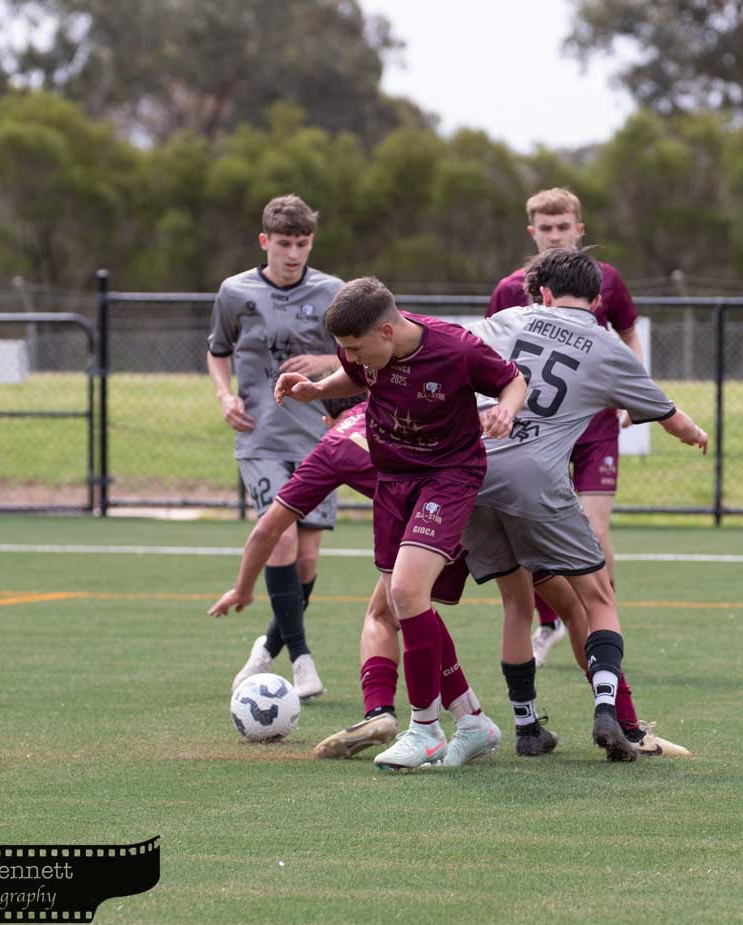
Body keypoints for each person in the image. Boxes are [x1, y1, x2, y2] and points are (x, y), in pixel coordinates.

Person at [275, 277, 528, 771]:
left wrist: (506, 410)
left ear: (387, 331)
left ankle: (426, 730)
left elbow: (513, 380)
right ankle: (473, 722)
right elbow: (355, 375)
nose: (351, 357)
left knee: (407, 594)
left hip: (449, 477)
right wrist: (318, 389)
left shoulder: (455, 349)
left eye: (356, 349)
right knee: (403, 603)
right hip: (393, 480)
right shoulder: (364, 348)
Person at [470, 247, 708, 761]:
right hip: (537, 484)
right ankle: (606, 709)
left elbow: (453, 362)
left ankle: (526, 727)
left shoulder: (507, 319)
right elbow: (668, 415)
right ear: (598, 300)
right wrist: (694, 434)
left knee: (516, 603)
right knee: (598, 598)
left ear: (545, 292)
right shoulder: (607, 347)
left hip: (474, 476)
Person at [209, 397, 499, 768]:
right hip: (483, 487)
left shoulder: (333, 445)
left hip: (442, 508)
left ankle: (426, 720)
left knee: (391, 610)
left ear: (326, 418)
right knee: (399, 607)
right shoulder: (386, 403)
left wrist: (243, 588)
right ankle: (467, 718)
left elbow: (267, 529)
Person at [486, 188, 641, 668]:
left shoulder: (605, 279)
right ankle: (550, 621)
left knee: (592, 529)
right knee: (531, 526)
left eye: (563, 226)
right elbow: (487, 359)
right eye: (546, 228)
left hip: (593, 425)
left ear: (580, 229)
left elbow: (628, 335)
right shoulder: (509, 289)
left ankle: (602, 626)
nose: (555, 235)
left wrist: (633, 391)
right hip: (534, 430)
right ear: (532, 231)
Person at [207, 194, 342, 701]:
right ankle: (303, 662)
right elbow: (217, 351)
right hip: (260, 437)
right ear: (265, 241)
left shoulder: (333, 292)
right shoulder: (234, 292)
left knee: (306, 561)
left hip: (318, 438)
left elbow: (361, 354)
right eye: (284, 243)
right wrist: (225, 396)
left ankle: (265, 650)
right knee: (280, 540)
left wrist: (325, 361)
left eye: (302, 244)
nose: (293, 254)